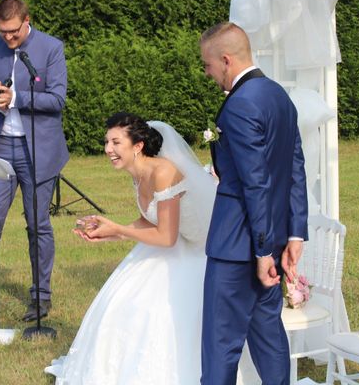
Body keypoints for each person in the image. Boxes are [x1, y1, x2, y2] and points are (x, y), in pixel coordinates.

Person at [44, 112, 259, 384]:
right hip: (175, 241)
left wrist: (118, 229)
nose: (108, 149)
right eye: (107, 142)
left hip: (200, 251)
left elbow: (167, 236)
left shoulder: (164, 172)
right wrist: (109, 233)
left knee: (153, 311)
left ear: (137, 146)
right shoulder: (138, 173)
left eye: (116, 142)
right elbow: (150, 217)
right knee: (123, 300)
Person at [199, 22, 309, 385]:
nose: (208, 73)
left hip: (238, 247)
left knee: (221, 345)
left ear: (226, 60)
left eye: (208, 66)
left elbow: (256, 183)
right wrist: (294, 234)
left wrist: (262, 252)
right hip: (273, 238)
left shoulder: (239, 105)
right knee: (268, 337)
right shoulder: (279, 95)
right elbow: (294, 168)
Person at [0, 0, 69, 322]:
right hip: (1, 148)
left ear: (27, 20)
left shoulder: (51, 48)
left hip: (38, 149)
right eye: (3, 32)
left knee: (37, 224)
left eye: (13, 32)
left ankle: (40, 298)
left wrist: (18, 99)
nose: (8, 39)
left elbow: (57, 99)